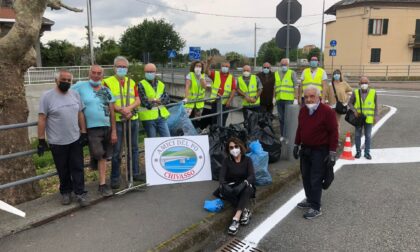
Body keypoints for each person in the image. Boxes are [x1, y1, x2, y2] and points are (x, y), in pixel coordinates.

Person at [37, 69, 89, 207]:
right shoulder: (47, 96)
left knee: (78, 167)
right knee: (63, 169)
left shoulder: (75, 94)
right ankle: (66, 192)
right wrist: (41, 140)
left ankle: (80, 193)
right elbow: (42, 118)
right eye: (63, 80)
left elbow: (80, 114)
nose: (66, 82)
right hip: (57, 141)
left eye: (68, 80)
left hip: (75, 138)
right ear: (56, 80)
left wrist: (83, 132)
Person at [293, 85, 338, 219]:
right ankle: (309, 198)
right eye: (306, 97)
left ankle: (316, 206)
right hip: (305, 149)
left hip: (320, 150)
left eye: (312, 96)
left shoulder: (327, 111)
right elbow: (300, 129)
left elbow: (333, 132)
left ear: (318, 97)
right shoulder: (303, 111)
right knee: (305, 175)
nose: (309, 99)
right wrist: (296, 144)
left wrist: (332, 152)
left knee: (316, 178)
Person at [71, 65, 117, 197]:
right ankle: (93, 166)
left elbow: (112, 111)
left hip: (106, 126)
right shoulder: (80, 86)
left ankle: (102, 184)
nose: (96, 75)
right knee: (98, 153)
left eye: (99, 73)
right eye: (94, 72)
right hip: (91, 128)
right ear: (89, 73)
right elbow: (67, 94)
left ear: (102, 75)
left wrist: (114, 130)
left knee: (104, 156)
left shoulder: (106, 90)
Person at [103, 56, 141, 189]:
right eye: (119, 66)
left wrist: (128, 109)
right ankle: (115, 178)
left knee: (134, 148)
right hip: (117, 121)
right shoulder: (107, 82)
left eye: (124, 67)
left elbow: (137, 100)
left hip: (132, 119)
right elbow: (106, 101)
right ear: (114, 68)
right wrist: (121, 110)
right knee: (117, 151)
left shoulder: (132, 82)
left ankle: (134, 173)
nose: (122, 69)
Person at [217, 137, 256, 235]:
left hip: (244, 185)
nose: (234, 149)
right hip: (231, 186)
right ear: (228, 150)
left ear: (240, 147)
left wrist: (243, 184)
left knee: (248, 189)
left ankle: (236, 219)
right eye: (231, 147)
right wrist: (226, 187)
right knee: (223, 190)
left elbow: (252, 176)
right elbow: (221, 177)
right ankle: (245, 211)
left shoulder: (247, 160)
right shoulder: (226, 161)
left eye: (236, 146)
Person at [348, 76, 378, 160]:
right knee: (357, 135)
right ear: (359, 84)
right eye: (362, 83)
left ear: (369, 83)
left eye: (366, 83)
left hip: (369, 118)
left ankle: (367, 153)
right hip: (359, 118)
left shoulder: (373, 92)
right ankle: (358, 152)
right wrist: (354, 111)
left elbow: (376, 105)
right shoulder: (355, 92)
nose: (364, 84)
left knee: (368, 136)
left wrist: (376, 116)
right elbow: (350, 103)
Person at [138, 63, 171, 137]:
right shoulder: (141, 84)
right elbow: (145, 103)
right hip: (148, 118)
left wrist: (152, 100)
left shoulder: (161, 84)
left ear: (155, 72)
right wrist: (159, 101)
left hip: (161, 116)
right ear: (144, 72)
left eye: (152, 71)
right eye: (147, 72)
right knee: (152, 141)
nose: (150, 73)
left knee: (167, 138)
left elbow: (167, 99)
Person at [205, 59, 236, 126]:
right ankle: (214, 134)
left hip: (225, 104)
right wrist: (208, 63)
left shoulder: (231, 78)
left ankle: (220, 134)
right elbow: (206, 72)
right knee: (214, 121)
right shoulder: (215, 74)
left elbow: (233, 90)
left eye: (227, 66)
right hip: (215, 103)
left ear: (229, 68)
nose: (225, 68)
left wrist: (229, 101)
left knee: (223, 122)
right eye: (223, 66)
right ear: (221, 67)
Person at [274, 58, 298, 141]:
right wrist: (274, 97)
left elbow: (296, 86)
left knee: (288, 119)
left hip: (289, 100)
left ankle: (290, 135)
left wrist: (295, 98)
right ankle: (283, 135)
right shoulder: (276, 73)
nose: (284, 66)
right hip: (279, 99)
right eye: (282, 65)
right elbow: (275, 86)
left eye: (285, 65)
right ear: (280, 65)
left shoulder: (292, 73)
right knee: (281, 118)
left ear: (288, 65)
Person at [325, 69, 352, 136]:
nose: (336, 75)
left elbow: (350, 91)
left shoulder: (344, 83)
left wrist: (346, 100)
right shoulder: (330, 84)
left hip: (339, 106)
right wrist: (327, 102)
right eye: (335, 74)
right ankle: (331, 136)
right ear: (333, 76)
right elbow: (326, 94)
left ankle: (336, 137)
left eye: (338, 74)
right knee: (330, 122)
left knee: (337, 122)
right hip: (331, 106)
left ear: (340, 75)